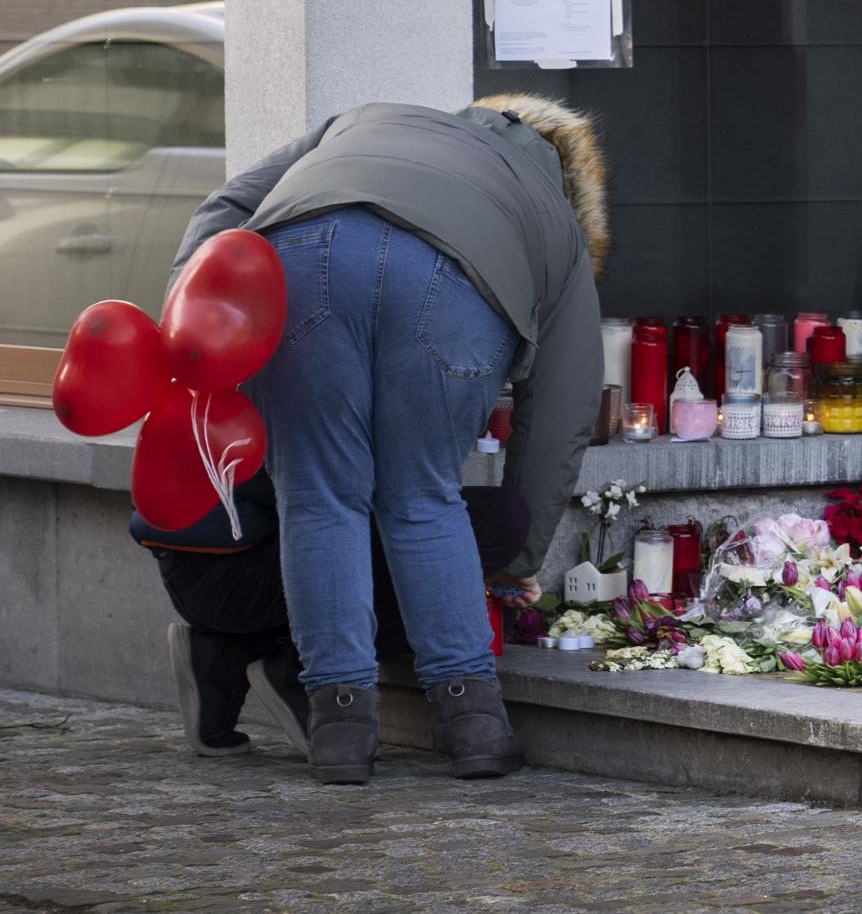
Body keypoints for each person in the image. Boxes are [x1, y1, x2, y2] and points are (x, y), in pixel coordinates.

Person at [173, 93, 606, 783]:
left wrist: (190, 317)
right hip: (456, 279)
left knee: (317, 498)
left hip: (297, 260)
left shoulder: (366, 119)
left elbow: (226, 206)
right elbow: (565, 400)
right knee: (422, 497)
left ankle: (341, 732)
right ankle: (475, 727)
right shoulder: (551, 212)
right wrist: (520, 552)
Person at [140, 471, 528, 759]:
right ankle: (305, 663)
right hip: (240, 561)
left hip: (193, 563)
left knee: (449, 531)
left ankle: (232, 651)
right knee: (473, 525)